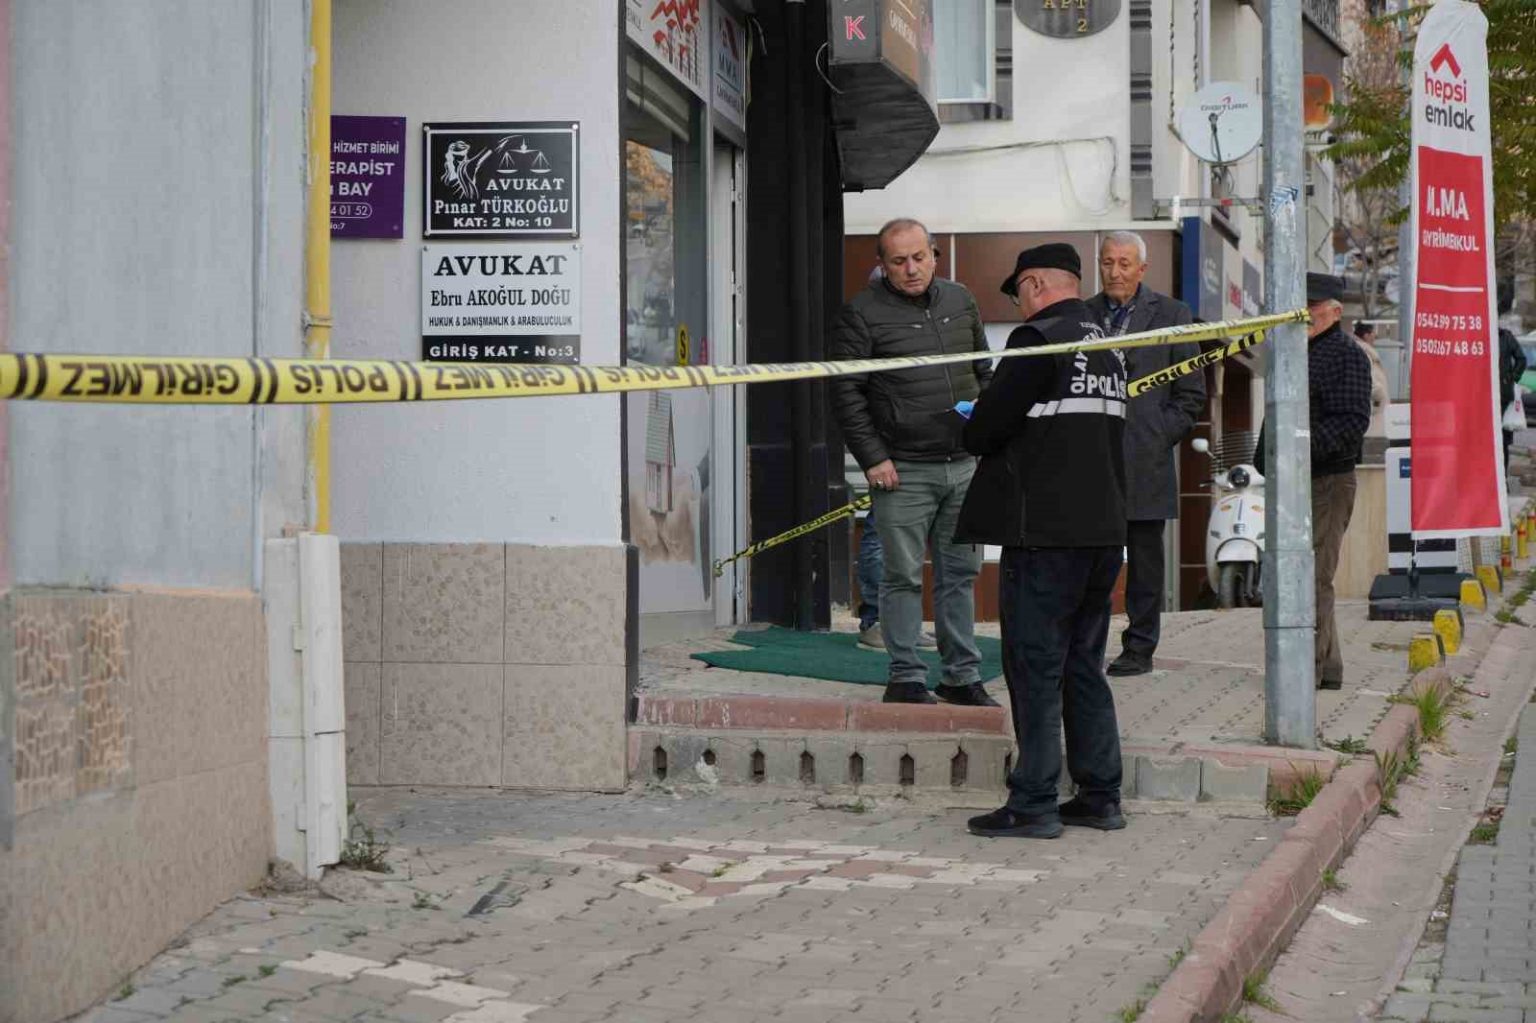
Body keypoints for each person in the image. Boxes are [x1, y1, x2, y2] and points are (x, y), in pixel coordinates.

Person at [955, 242, 1129, 838]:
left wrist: (968, 418)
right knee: (1084, 665)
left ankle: (1033, 801)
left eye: (1019, 294)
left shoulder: (1037, 340)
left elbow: (985, 431)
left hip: (1045, 535)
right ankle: (1100, 796)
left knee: (1034, 666)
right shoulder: (1107, 347)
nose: (1019, 306)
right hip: (1102, 534)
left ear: (1033, 284)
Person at [830, 218, 996, 706]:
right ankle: (905, 677)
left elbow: (983, 371)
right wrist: (874, 458)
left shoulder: (961, 300)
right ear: (881, 264)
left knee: (960, 574)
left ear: (934, 255)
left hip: (963, 463)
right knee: (900, 575)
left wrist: (988, 433)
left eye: (919, 258)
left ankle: (962, 677)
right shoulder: (861, 313)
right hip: (901, 470)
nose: (911, 269)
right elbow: (846, 393)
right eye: (898, 261)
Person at [1085, 231, 1204, 677]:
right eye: (1107, 262)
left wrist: (1155, 434)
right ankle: (1086, 646)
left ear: (1142, 268)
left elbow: (1191, 395)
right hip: (1090, 462)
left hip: (1143, 460)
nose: (1115, 272)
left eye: (1124, 263)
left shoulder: (1173, 314)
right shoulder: (1084, 314)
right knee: (1090, 562)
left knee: (1145, 566)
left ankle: (1139, 648)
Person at [1255, 273, 1372, 690]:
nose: (1303, 313)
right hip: (1295, 481)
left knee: (1311, 577)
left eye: (1312, 307)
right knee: (1305, 574)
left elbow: (1351, 423)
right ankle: (1327, 668)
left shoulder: (1345, 354)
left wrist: (1294, 452)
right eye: (1299, 305)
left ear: (1335, 312)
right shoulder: (1295, 349)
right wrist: (1268, 459)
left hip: (1325, 480)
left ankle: (1305, 673)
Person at [1498, 279, 1527, 471]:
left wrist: (1511, 379)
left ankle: (1503, 476)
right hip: (1485, 394)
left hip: (1503, 393)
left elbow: (1521, 359)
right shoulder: (1482, 338)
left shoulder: (1506, 337)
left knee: (1503, 438)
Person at [1352, 320, 1389, 441]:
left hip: (1372, 408)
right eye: (1373, 333)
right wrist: (1380, 394)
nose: (1375, 336)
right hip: (1373, 408)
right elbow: (1370, 381)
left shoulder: (1362, 351)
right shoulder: (1364, 353)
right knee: (1372, 441)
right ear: (1366, 335)